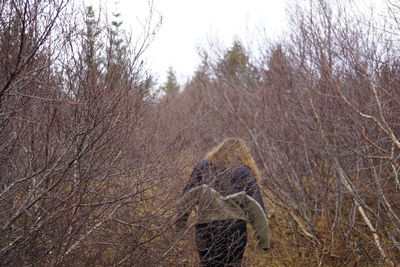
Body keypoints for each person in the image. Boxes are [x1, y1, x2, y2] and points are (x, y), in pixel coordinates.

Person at [175, 138, 270, 267]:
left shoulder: (203, 168)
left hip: (206, 229)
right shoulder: (244, 172)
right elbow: (257, 208)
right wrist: (263, 241)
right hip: (234, 230)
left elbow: (187, 197)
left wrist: (179, 225)